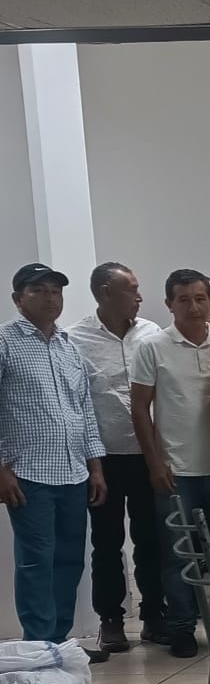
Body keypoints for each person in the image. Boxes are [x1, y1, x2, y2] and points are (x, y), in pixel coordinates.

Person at [131, 269, 210, 656]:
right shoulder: (153, 347)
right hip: (176, 471)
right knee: (178, 556)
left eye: (200, 298)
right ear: (169, 304)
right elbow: (139, 409)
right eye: (184, 300)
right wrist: (154, 463)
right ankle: (181, 627)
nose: (194, 307)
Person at [0, 264, 107, 648]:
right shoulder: (5, 342)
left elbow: (84, 411)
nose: (50, 298)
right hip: (28, 474)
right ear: (18, 299)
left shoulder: (68, 346)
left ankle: (59, 644)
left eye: (56, 291)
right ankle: (39, 646)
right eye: (39, 290)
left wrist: (95, 467)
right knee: (36, 561)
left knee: (70, 560)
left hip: (74, 473)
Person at [70, 261, 169, 651]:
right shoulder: (75, 339)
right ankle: (110, 620)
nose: (140, 297)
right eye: (132, 289)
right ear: (105, 293)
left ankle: (154, 615)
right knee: (107, 542)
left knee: (151, 538)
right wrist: (90, 461)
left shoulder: (152, 333)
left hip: (149, 454)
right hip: (103, 458)